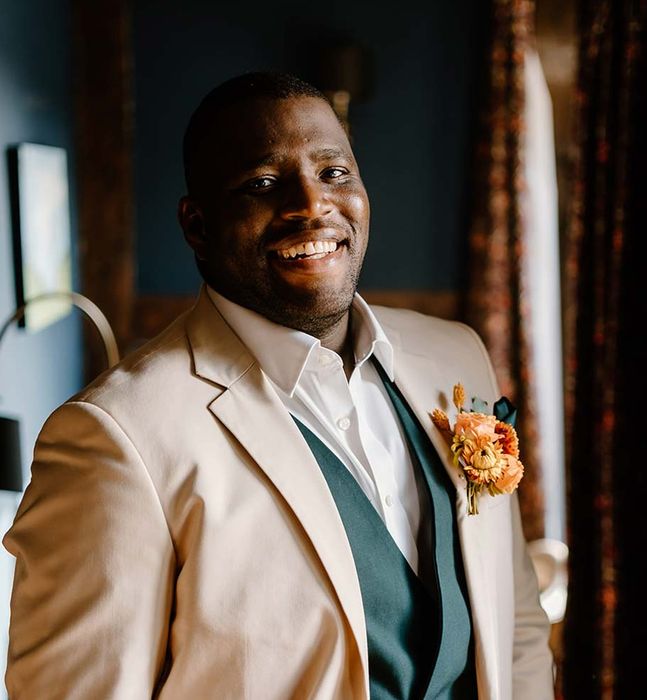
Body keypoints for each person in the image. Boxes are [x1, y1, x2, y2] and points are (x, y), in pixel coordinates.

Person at [4, 72, 553, 699]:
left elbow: (515, 623)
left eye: (334, 172)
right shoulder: (116, 436)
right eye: (263, 184)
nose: (311, 205)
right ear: (197, 224)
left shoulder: (455, 357)